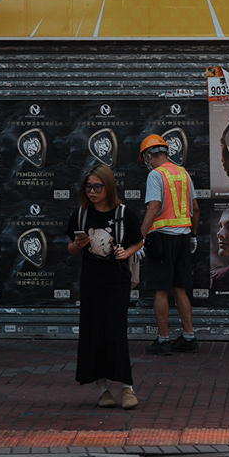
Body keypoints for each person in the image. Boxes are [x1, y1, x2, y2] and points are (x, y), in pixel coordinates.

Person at [67, 162, 143, 410]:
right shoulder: (81, 213)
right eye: (88, 187)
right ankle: (103, 390)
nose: (92, 191)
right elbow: (70, 249)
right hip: (91, 280)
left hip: (116, 280)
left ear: (109, 187)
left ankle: (127, 388)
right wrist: (78, 244)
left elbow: (139, 241)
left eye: (97, 187)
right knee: (93, 333)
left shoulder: (123, 213)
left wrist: (126, 252)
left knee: (115, 333)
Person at [139, 132, 198, 355]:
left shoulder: (156, 175)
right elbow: (196, 208)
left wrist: (141, 237)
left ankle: (163, 340)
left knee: (161, 291)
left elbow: (154, 208)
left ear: (148, 156)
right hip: (183, 238)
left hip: (162, 238)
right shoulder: (183, 173)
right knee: (180, 288)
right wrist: (193, 235)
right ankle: (189, 337)